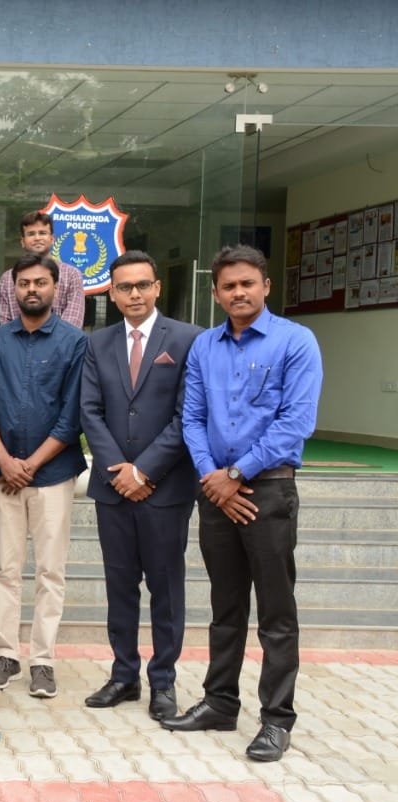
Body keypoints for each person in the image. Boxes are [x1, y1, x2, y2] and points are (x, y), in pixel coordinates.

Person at [162, 245, 323, 763]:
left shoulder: (296, 342)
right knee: (224, 608)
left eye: (247, 284)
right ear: (216, 292)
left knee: (276, 612)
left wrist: (236, 475)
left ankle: (276, 721)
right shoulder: (205, 347)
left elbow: (294, 422)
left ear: (265, 286)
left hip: (268, 491)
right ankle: (219, 702)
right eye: (228, 286)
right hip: (215, 493)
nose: (238, 293)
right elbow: (191, 417)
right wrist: (214, 478)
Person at [80, 250, 202, 721]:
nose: (133, 294)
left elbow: (187, 415)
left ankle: (164, 682)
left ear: (157, 288)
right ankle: (123, 674)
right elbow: (89, 410)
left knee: (166, 588)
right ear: (111, 292)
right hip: (113, 489)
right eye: (124, 287)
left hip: (166, 489)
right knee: (120, 584)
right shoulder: (98, 342)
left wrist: (144, 471)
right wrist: (119, 470)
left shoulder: (189, 340)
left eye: (142, 285)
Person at [0, 253, 87, 700]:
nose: (31, 290)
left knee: (50, 572)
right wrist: (4, 458)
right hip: (1, 472)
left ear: (55, 287)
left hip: (54, 474)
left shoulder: (74, 341)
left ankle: (42, 660)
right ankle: (5, 653)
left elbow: (72, 415)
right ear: (13, 288)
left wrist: (32, 464)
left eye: (40, 282)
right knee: (5, 569)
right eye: (24, 282)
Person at [0, 211, 86, 328]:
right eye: (31, 234)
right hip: (16, 344)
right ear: (23, 241)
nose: (37, 238)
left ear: (52, 238)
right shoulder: (7, 279)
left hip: (61, 344)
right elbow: (3, 321)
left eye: (42, 233)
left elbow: (74, 320)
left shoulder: (72, 275)